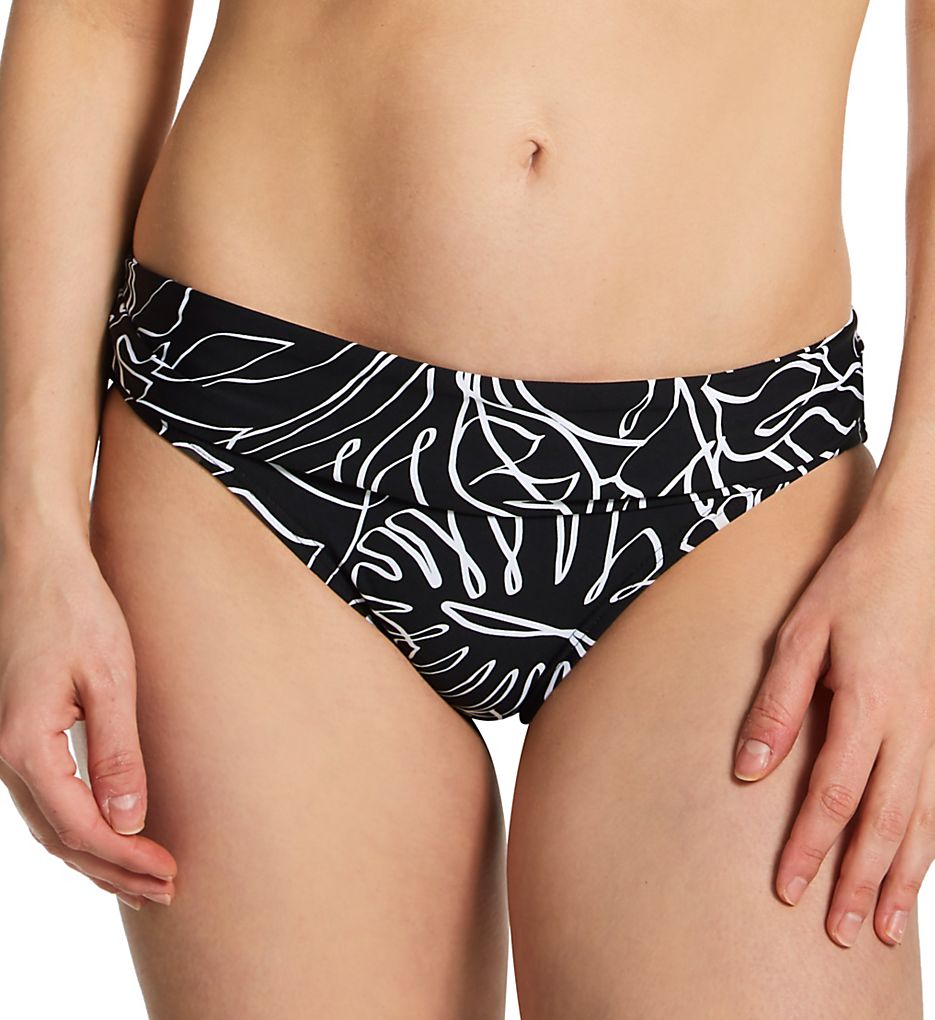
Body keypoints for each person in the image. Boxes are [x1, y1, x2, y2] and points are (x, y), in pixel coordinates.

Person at [0, 1, 930, 1016]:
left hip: (740, 475)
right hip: (258, 431)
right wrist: (29, 536)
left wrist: (920, 543)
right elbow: (98, 22)